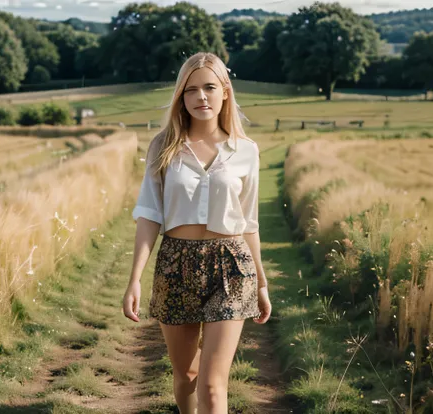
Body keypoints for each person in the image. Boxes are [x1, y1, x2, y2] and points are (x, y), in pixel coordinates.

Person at [122, 52, 272, 414]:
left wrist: (263, 284)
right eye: (191, 90)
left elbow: (248, 222)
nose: (201, 97)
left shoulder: (245, 151)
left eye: (209, 87)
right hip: (176, 264)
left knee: (212, 385)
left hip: (232, 266)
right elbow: (149, 214)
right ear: (181, 97)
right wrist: (135, 279)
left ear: (225, 92)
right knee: (185, 376)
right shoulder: (163, 147)